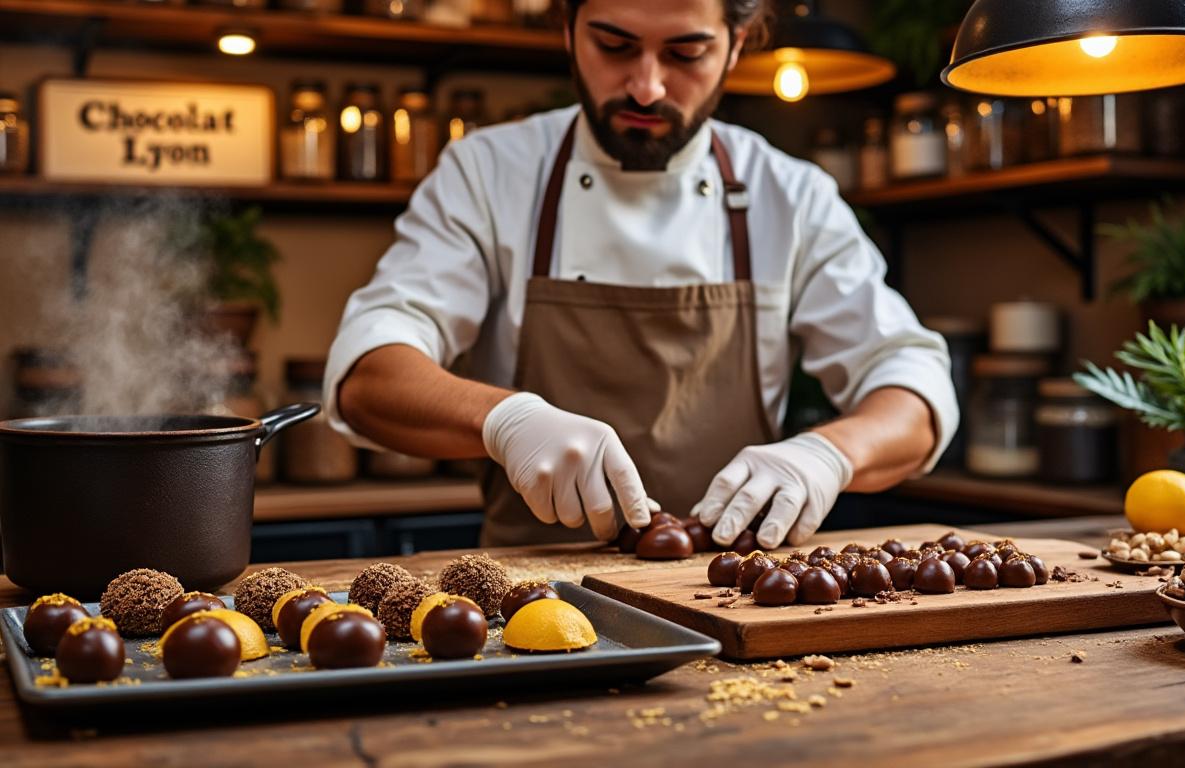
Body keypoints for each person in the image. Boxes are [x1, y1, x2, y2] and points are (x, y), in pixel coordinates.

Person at [324, 0, 958, 551]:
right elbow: (368, 375)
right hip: (532, 603)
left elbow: (913, 386)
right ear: (567, 27)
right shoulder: (487, 175)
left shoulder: (790, 195)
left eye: (686, 53)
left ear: (736, 46)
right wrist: (505, 420)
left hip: (734, 596)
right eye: (614, 46)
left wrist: (829, 454)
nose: (647, 86)